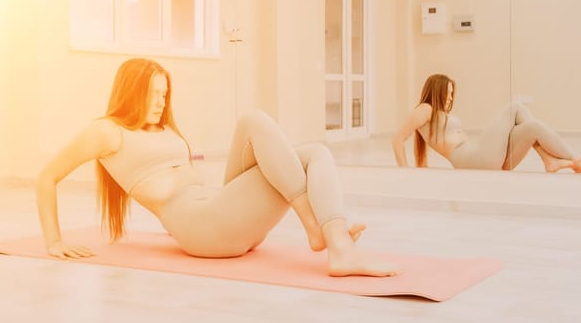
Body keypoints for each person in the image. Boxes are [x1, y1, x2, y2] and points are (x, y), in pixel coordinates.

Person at [37, 58, 398, 277]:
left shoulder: (162, 128)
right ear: (132, 92)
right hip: (204, 229)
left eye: (164, 94)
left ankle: (334, 241)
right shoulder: (106, 131)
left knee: (315, 152)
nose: (161, 103)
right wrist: (54, 241)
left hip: (222, 209)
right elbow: (47, 176)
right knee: (257, 120)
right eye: (153, 94)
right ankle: (316, 229)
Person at [392, 74, 581, 173]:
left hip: (479, 155)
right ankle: (569, 159)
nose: (451, 98)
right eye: (448, 93)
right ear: (437, 91)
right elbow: (398, 139)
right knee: (515, 107)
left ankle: (550, 161)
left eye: (452, 93)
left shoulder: (437, 113)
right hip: (472, 158)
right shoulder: (425, 109)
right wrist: (405, 173)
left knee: (532, 128)